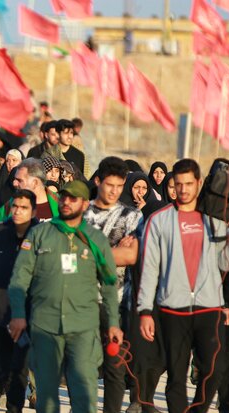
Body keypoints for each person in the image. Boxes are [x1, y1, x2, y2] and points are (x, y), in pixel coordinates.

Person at [9, 180, 122, 413]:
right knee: (47, 397)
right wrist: (18, 314)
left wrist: (112, 323)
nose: (66, 202)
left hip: (83, 327)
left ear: (84, 203)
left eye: (73, 198)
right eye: (63, 198)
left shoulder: (95, 239)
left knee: (84, 392)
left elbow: (110, 284)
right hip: (45, 326)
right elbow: (20, 278)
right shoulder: (40, 234)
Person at [138, 159, 229, 413]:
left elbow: (225, 261)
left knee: (215, 368)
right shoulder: (159, 220)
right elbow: (149, 269)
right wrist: (145, 310)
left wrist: (226, 229)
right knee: (176, 377)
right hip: (172, 307)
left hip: (208, 306)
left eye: (189, 184)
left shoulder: (212, 218)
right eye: (178, 184)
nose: (184, 189)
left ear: (199, 183)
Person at [83, 157, 143, 413]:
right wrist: (113, 251)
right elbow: (72, 256)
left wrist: (92, 253)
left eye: (120, 185)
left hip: (118, 305)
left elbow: (131, 256)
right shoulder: (81, 213)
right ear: (98, 181)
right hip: (81, 301)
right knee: (81, 369)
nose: (115, 191)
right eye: (110, 184)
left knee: (115, 370)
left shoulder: (132, 216)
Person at [0, 189, 39, 413]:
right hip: (0, 311)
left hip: (31, 313)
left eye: (24, 207)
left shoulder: (41, 234)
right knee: (6, 367)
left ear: (33, 211)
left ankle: (15, 408)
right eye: (15, 206)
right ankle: (10, 394)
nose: (17, 211)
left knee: (20, 366)